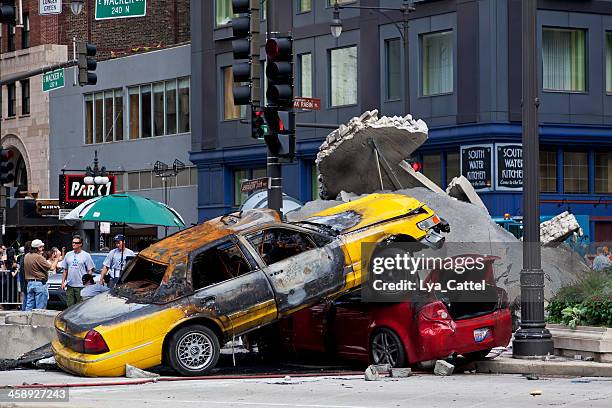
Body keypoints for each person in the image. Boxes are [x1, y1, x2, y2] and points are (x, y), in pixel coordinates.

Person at [24, 239, 60, 311]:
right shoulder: (38, 257)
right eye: (41, 247)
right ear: (37, 248)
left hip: (30, 283)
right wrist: (57, 258)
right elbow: (52, 268)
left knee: (29, 306)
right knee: (40, 309)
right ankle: (38, 322)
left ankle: (27, 321)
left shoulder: (27, 256)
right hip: (39, 283)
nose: (42, 248)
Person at [59, 235, 95, 307]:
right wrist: (63, 282)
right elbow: (65, 270)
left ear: (80, 244)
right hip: (70, 285)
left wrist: (87, 283)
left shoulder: (86, 255)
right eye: (73, 242)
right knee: (70, 306)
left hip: (81, 285)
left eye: (76, 243)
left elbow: (90, 270)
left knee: (80, 306)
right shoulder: (68, 254)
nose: (73, 244)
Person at [17, 243, 30, 310]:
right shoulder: (26, 257)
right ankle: (25, 313)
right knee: (28, 299)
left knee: (26, 298)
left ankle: (24, 311)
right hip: (27, 280)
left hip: (24, 280)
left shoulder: (23, 257)